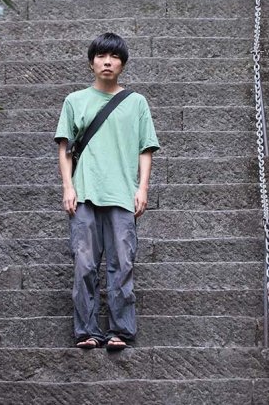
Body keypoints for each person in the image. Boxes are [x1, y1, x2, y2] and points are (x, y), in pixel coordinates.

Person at [54, 31, 160, 352]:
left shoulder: (136, 102)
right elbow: (65, 149)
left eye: (113, 57)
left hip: (122, 196)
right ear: (91, 62)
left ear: (122, 64)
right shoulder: (75, 101)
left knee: (122, 263)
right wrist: (68, 187)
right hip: (85, 194)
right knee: (84, 265)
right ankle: (86, 329)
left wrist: (142, 188)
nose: (107, 62)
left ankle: (121, 329)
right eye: (101, 56)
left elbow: (146, 149)